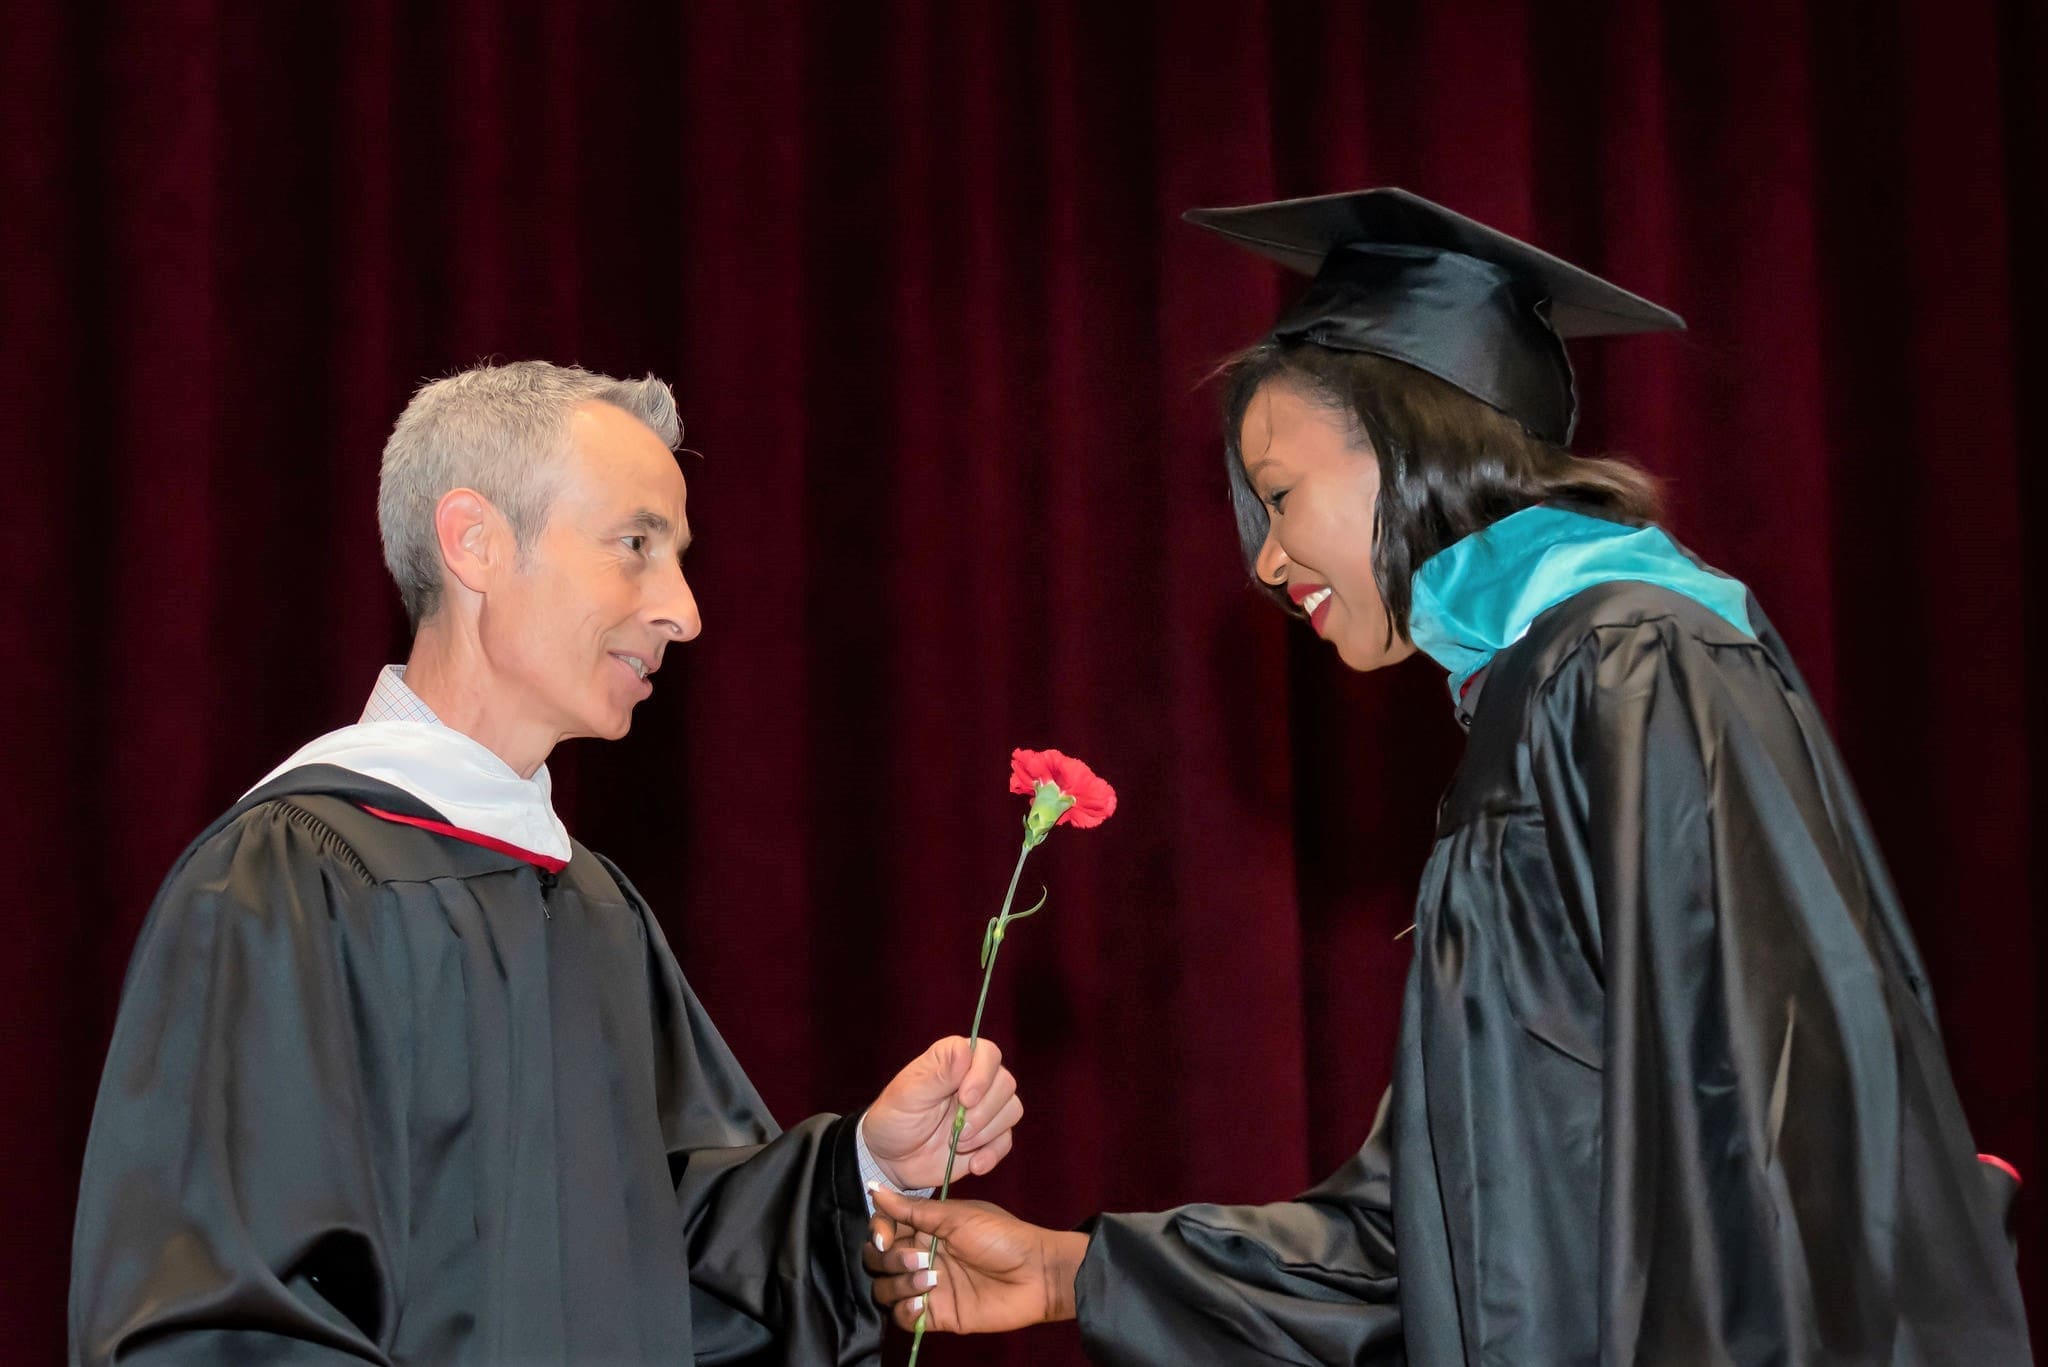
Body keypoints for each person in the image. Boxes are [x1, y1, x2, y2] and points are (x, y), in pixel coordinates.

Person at [864, 190, 2031, 1364]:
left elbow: (1773, 1146)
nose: (1266, 562)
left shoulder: (1635, 663)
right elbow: (1436, 1232)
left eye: (1276, 495)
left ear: (1405, 437)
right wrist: (1075, 1269)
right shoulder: (1537, 697)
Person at [69, 361, 1024, 1365]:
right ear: (473, 541)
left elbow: (674, 1259)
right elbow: (220, 1315)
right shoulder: (289, 882)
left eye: (677, 555)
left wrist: (866, 1167)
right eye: (634, 546)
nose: (683, 611)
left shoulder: (592, 903)